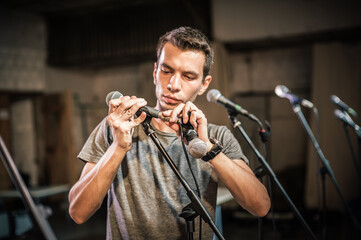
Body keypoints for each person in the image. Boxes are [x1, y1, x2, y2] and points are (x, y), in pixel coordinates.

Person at [68, 26, 270, 239]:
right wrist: (119, 147)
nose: (173, 85)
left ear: (204, 84)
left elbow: (260, 207)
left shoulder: (216, 137)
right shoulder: (117, 127)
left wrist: (209, 150)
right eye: (166, 71)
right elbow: (78, 213)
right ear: (155, 73)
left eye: (189, 76)